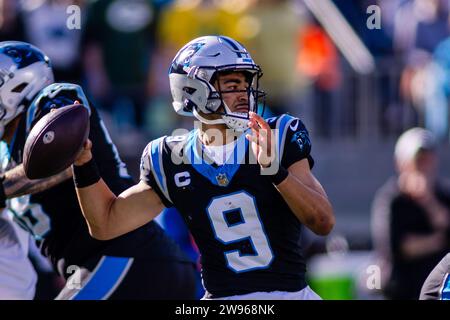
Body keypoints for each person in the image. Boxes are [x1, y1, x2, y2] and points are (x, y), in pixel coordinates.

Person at [72, 35, 335, 300]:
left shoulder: (278, 134)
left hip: (291, 294)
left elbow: (322, 222)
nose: (244, 94)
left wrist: (276, 171)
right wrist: (83, 165)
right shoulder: (170, 158)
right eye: (232, 85)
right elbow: (105, 224)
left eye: (246, 83)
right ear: (193, 89)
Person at [0, 41, 197, 299]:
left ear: (18, 84)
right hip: (100, 267)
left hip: (127, 256)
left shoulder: (53, 100)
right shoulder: (6, 156)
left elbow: (61, 156)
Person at [371, 127, 450, 300]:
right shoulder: (391, 200)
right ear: (401, 163)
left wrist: (428, 201)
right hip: (401, 290)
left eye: (428, 159)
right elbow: (395, 247)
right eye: (418, 160)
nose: (424, 165)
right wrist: (437, 240)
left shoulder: (443, 196)